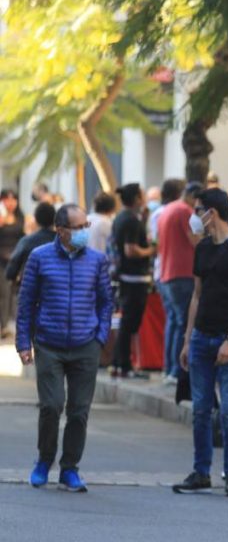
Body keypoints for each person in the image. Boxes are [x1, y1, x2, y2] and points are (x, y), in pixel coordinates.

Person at [18, 204, 114, 492]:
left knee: (79, 411)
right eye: (79, 227)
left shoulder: (97, 260)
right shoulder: (39, 257)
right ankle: (44, 460)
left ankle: (69, 468)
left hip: (86, 344)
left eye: (86, 225)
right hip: (49, 344)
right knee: (51, 406)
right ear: (60, 231)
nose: (85, 231)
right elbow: (26, 303)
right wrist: (24, 342)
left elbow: (106, 301)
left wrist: (101, 335)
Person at [172, 188, 228, 497]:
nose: (195, 217)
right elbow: (197, 295)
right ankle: (201, 471)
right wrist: (187, 339)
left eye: (198, 210)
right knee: (200, 409)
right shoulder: (204, 249)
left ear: (213, 212)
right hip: (201, 338)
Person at [157, 182, 202, 384]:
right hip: (181, 274)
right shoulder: (184, 211)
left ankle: (168, 368)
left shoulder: (168, 209)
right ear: (193, 196)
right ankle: (176, 370)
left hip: (166, 274)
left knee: (173, 323)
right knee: (183, 323)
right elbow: (195, 240)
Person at [111, 183, 155, 379]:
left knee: (126, 322)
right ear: (137, 198)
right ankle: (125, 365)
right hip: (135, 277)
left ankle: (119, 363)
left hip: (126, 275)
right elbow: (131, 249)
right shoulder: (131, 220)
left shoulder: (121, 217)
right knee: (130, 322)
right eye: (143, 194)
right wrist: (151, 250)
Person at [6, 202, 57, 284]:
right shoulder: (62, 241)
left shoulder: (26, 242)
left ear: (36, 219)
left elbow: (11, 271)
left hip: (31, 289)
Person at [0, 189, 25, 338]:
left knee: (14, 292)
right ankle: (3, 325)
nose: (10, 203)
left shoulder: (21, 217)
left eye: (13, 199)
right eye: (6, 199)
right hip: (1, 259)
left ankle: (11, 323)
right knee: (3, 292)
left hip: (16, 259)